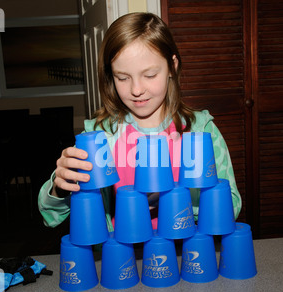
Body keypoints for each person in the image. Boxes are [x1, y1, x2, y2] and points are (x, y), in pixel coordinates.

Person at [38, 12, 242, 232]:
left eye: (150, 75)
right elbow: (50, 214)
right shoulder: (102, 135)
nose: (136, 90)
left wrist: (171, 199)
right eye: (123, 77)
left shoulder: (200, 130)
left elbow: (232, 205)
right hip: (120, 259)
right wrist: (60, 188)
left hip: (187, 256)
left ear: (172, 67)